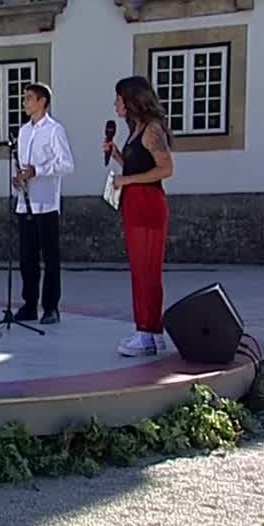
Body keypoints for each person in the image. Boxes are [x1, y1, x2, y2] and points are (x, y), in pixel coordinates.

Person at [103, 75, 174, 356]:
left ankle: (145, 331)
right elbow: (137, 165)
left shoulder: (152, 129)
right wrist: (118, 155)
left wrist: (125, 181)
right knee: (141, 268)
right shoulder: (137, 129)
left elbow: (165, 169)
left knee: (147, 269)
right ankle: (152, 331)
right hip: (135, 200)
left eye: (118, 99)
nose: (115, 104)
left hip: (147, 201)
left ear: (131, 100)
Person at [11, 82, 74, 325]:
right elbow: (23, 164)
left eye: (29, 98)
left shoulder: (55, 130)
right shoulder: (24, 131)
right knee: (26, 257)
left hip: (46, 203)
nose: (24, 102)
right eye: (24, 98)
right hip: (25, 202)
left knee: (50, 257)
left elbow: (66, 164)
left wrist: (39, 171)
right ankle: (29, 304)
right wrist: (19, 178)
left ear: (42, 102)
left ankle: (51, 307)